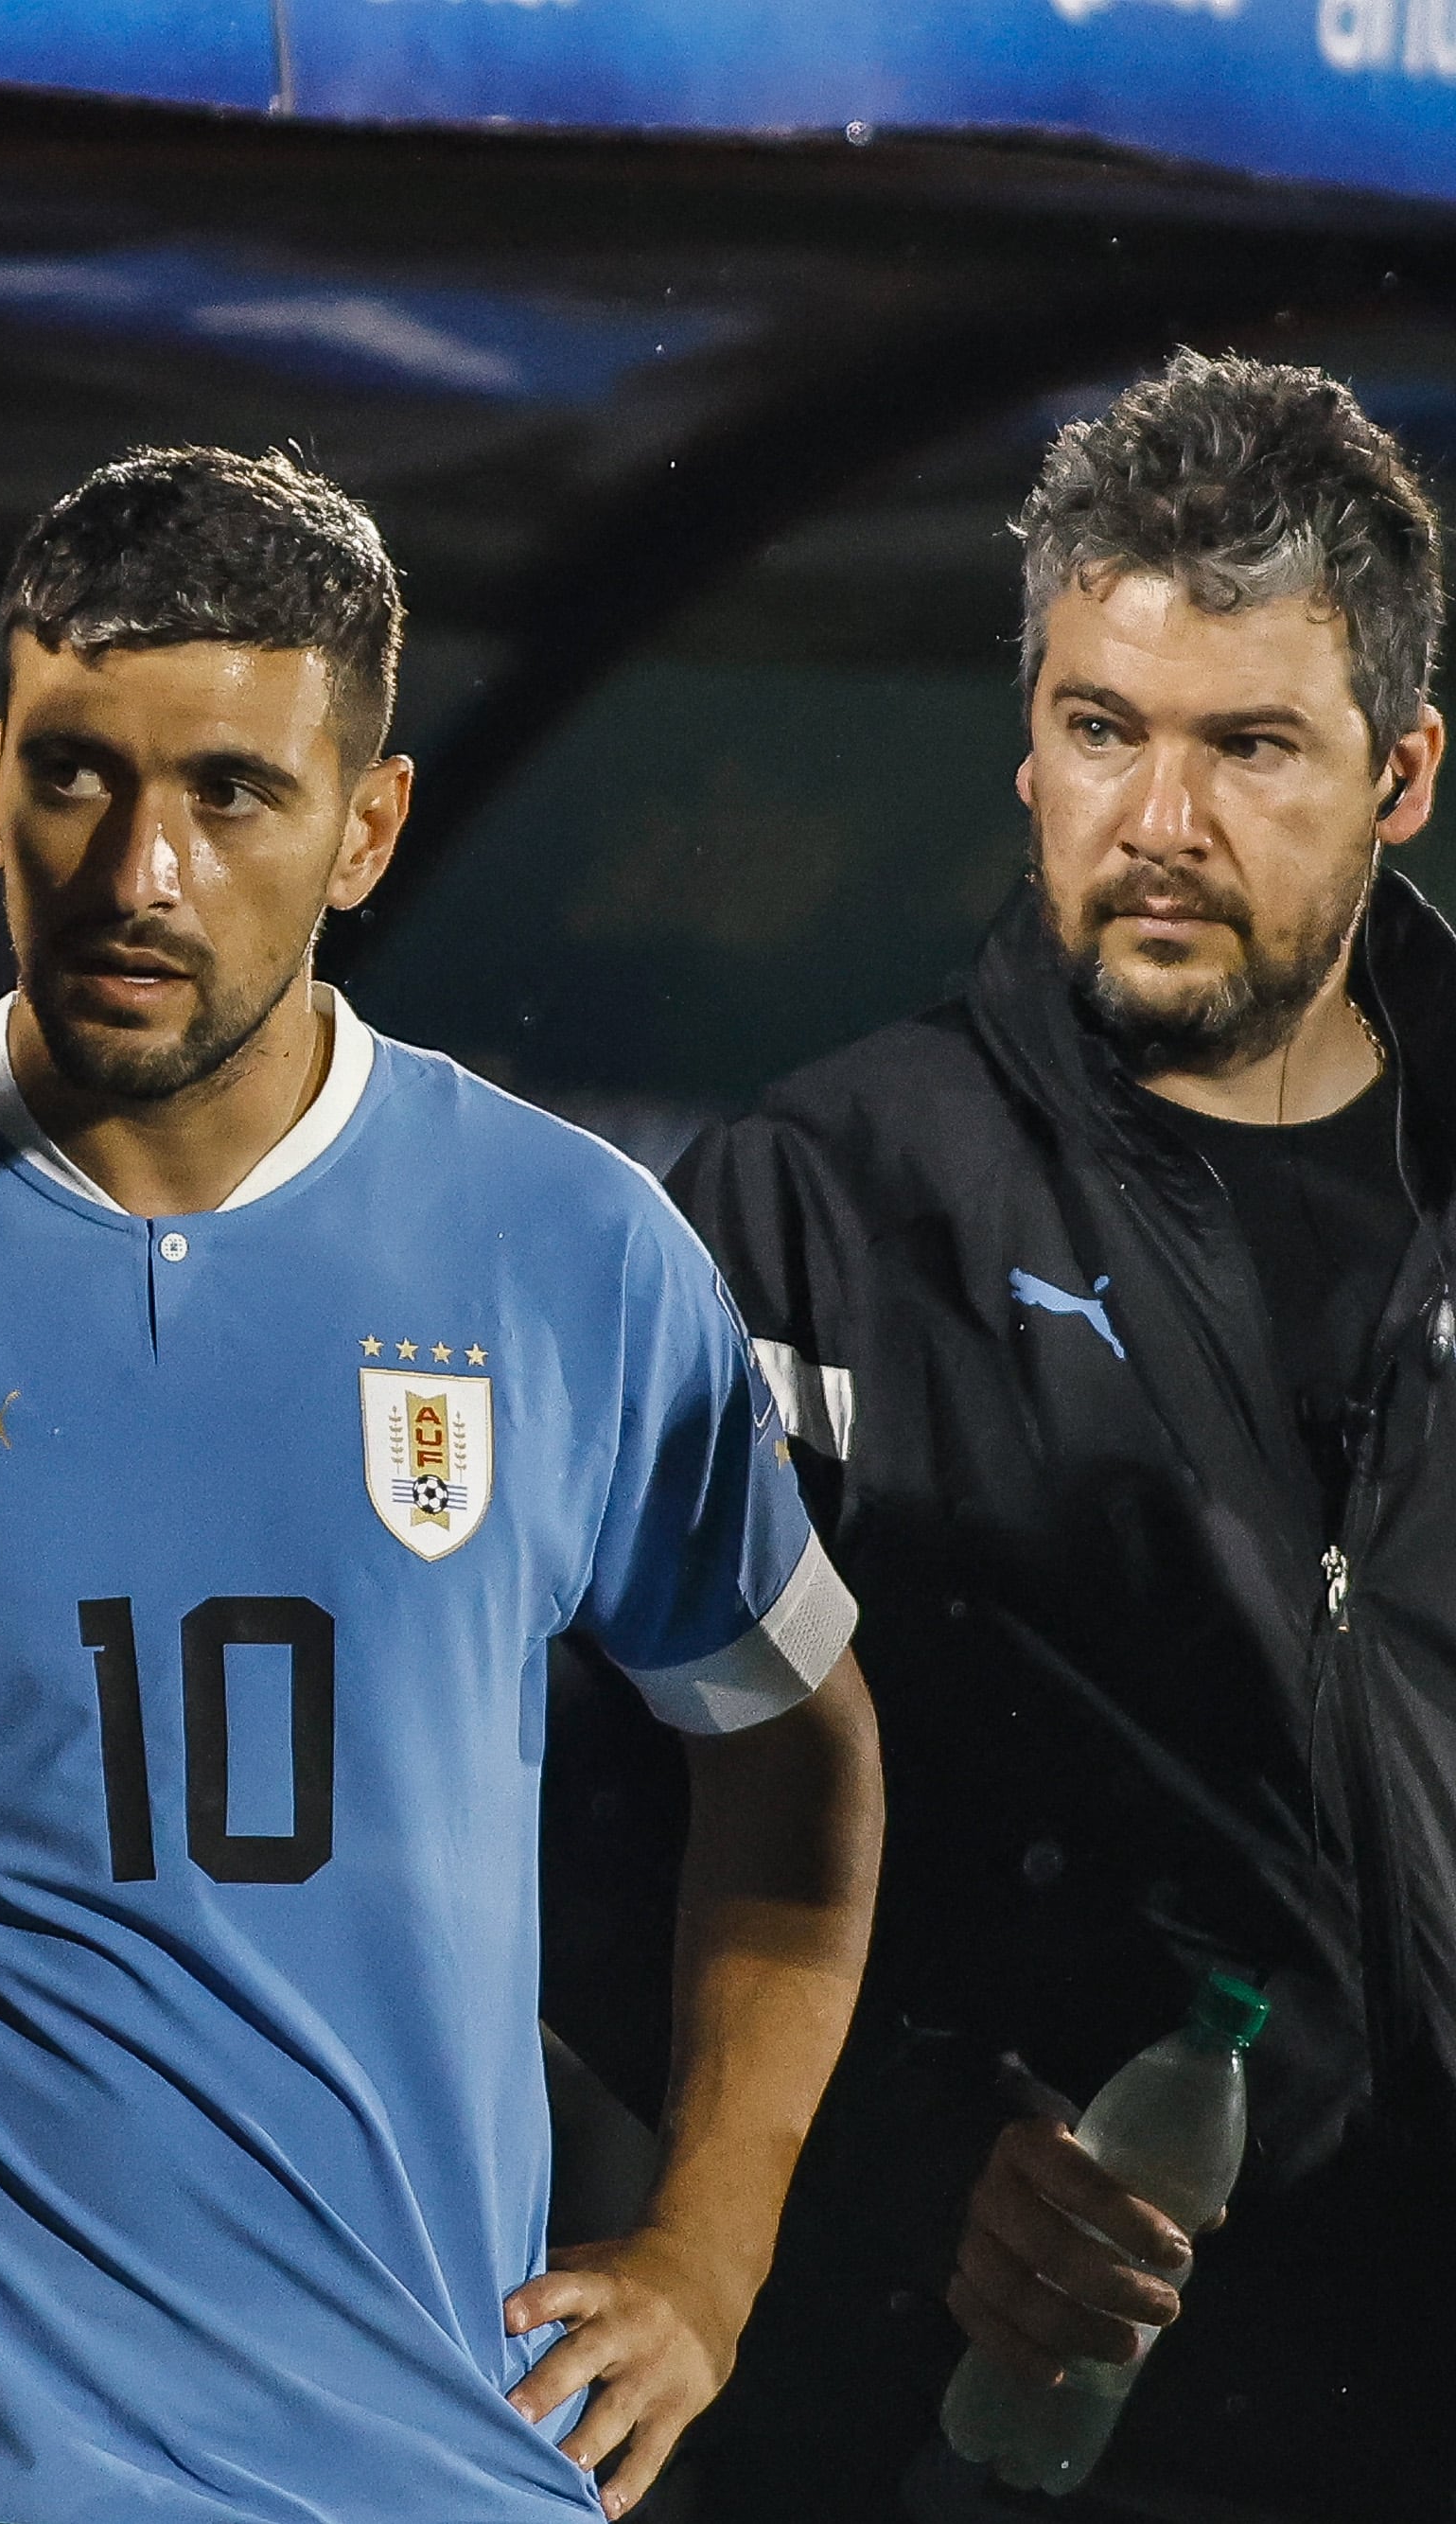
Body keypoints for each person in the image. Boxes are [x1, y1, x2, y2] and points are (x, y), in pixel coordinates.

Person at [0, 447, 886, 2524]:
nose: (137, 872)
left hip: (433, 2470)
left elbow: (794, 1756)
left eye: (230, 793)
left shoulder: (569, 1246)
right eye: (78, 775)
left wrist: (705, 2258)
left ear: (365, 827)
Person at [673, 353, 1454, 2522]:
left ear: (1398, 777)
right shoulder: (816, 1202)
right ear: (1023, 742)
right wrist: (929, 2150)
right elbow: (609, 1842)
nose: (1157, 820)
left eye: (1245, 748)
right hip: (1008, 2428)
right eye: (1100, 729)